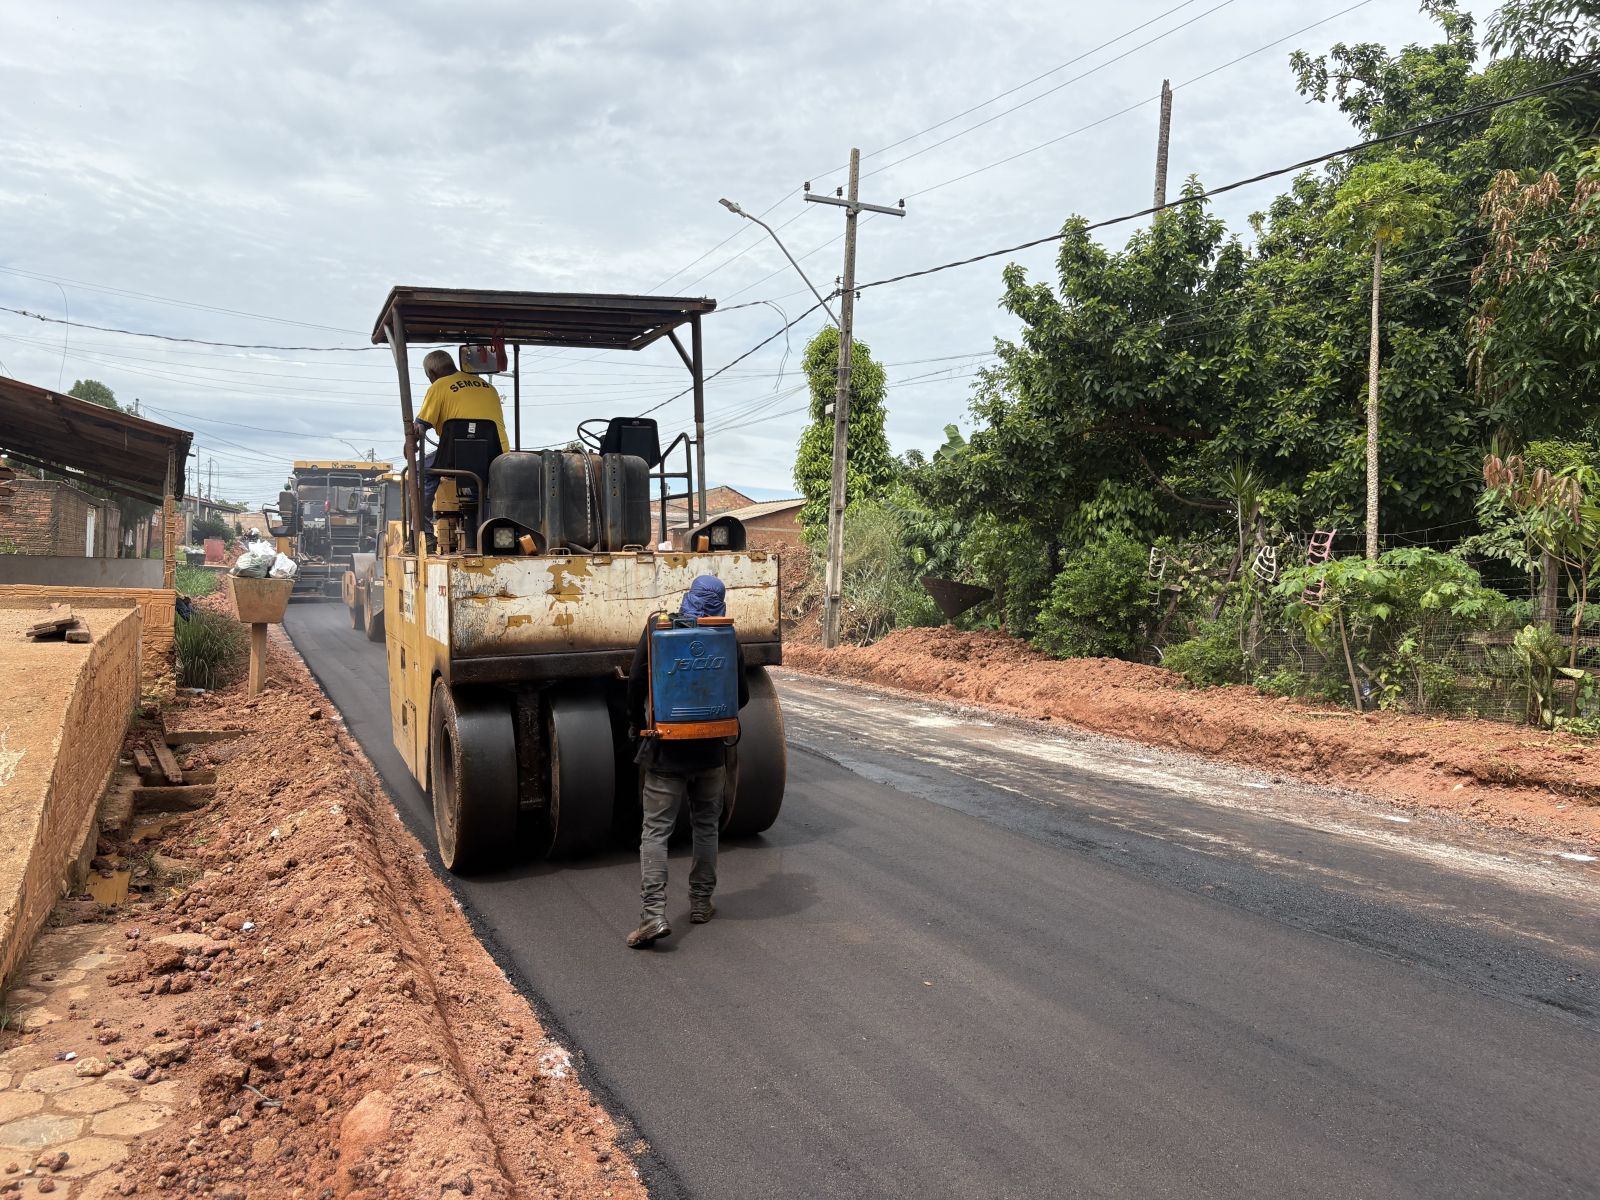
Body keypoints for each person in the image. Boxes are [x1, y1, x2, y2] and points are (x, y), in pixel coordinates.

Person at [624, 575, 748, 949]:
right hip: (711, 754)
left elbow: (636, 682)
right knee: (706, 826)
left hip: (666, 753)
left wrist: (638, 725)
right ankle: (700, 903)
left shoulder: (658, 630)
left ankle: (652, 915)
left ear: (688, 599)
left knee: (655, 831)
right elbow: (741, 696)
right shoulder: (727, 639)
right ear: (720, 605)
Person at [412, 350, 510, 521]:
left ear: (432, 374)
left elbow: (419, 426)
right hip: (497, 454)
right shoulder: (489, 387)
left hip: (457, 456)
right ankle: (490, 522)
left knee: (421, 470)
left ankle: (422, 528)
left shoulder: (439, 385)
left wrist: (411, 443)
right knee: (484, 484)